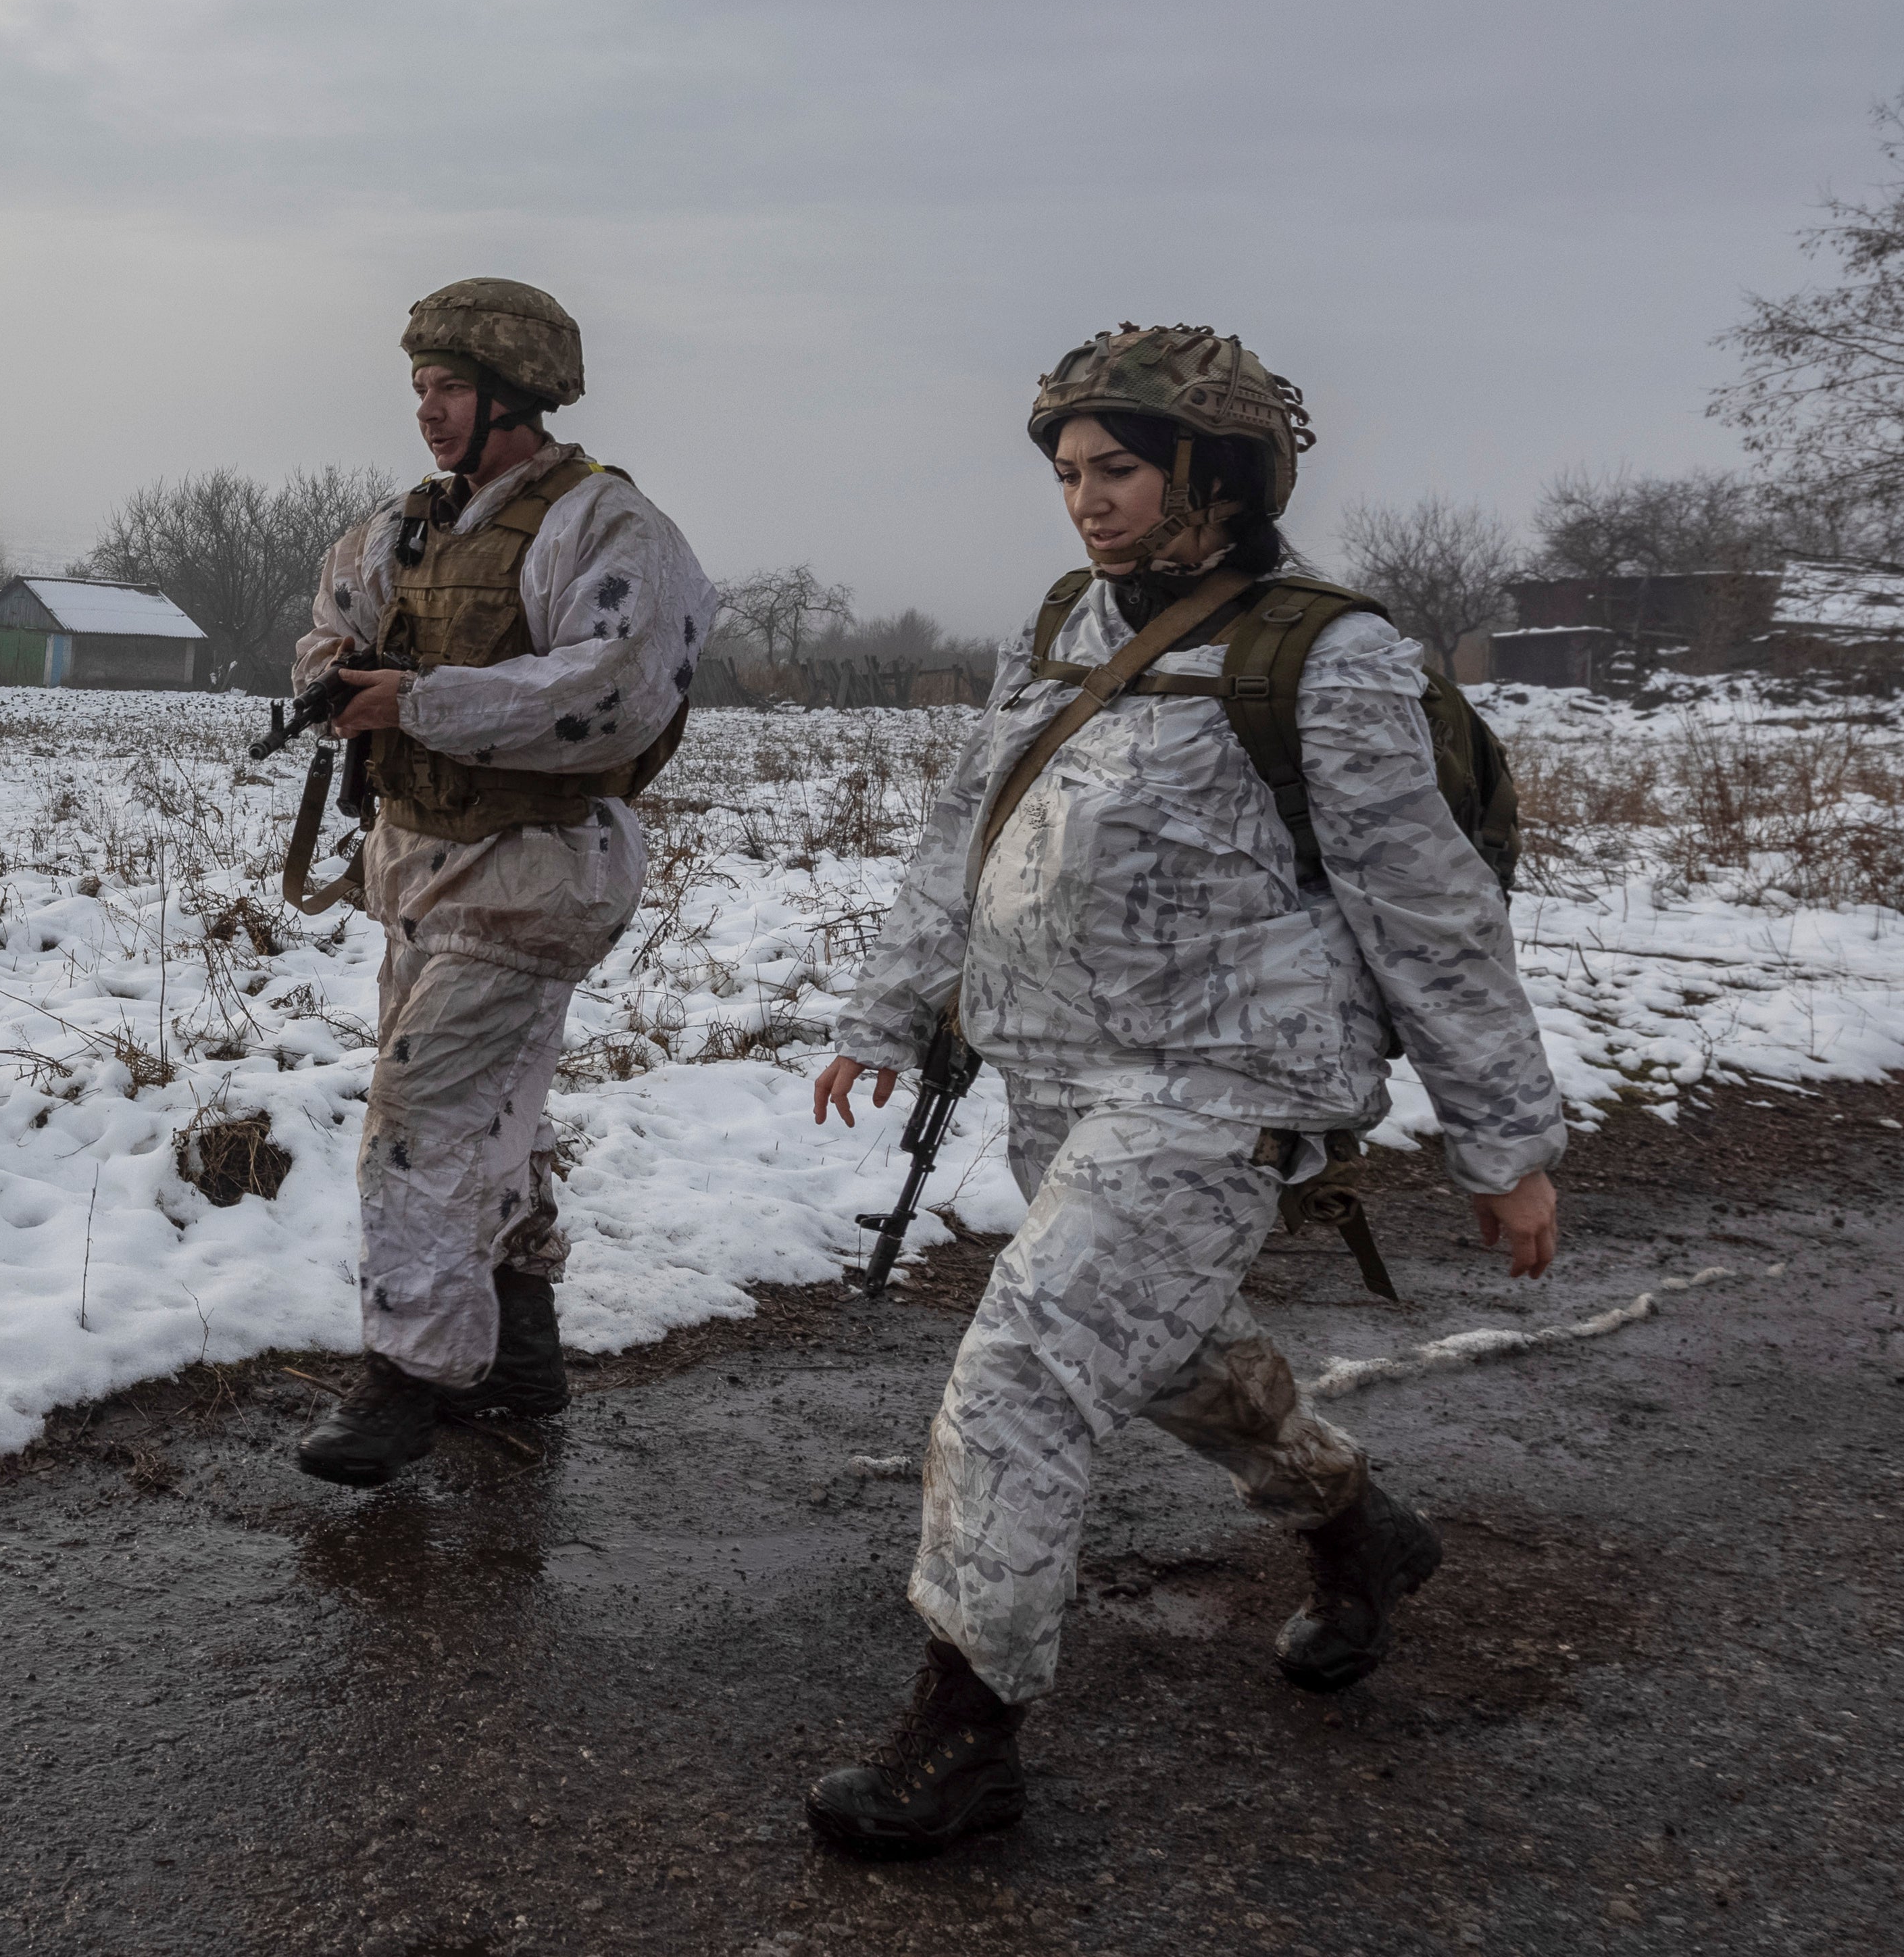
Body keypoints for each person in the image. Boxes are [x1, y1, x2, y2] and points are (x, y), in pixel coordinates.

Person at [801, 324, 1566, 1857]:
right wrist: (889, 1005)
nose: (1086, 500)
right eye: (1070, 473)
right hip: (1057, 1071)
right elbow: (972, 825)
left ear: (1211, 473)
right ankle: (1356, 1528)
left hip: (1226, 1083)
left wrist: (1503, 1141)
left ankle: (966, 1729)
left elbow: (1426, 913)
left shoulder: (1325, 658)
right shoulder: (1060, 631)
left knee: (1022, 1371)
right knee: (1161, 1354)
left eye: (1120, 471)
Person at [289, 278, 719, 1487]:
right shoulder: (409, 524)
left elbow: (609, 693)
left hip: (535, 873)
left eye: (452, 389)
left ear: (517, 396)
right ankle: (519, 1348)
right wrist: (339, 671)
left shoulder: (607, 527)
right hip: (419, 864)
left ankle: (411, 1374)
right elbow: (332, 618)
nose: (429, 411)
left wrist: (416, 700)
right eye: (420, 387)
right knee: (494, 1121)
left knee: (420, 1119)